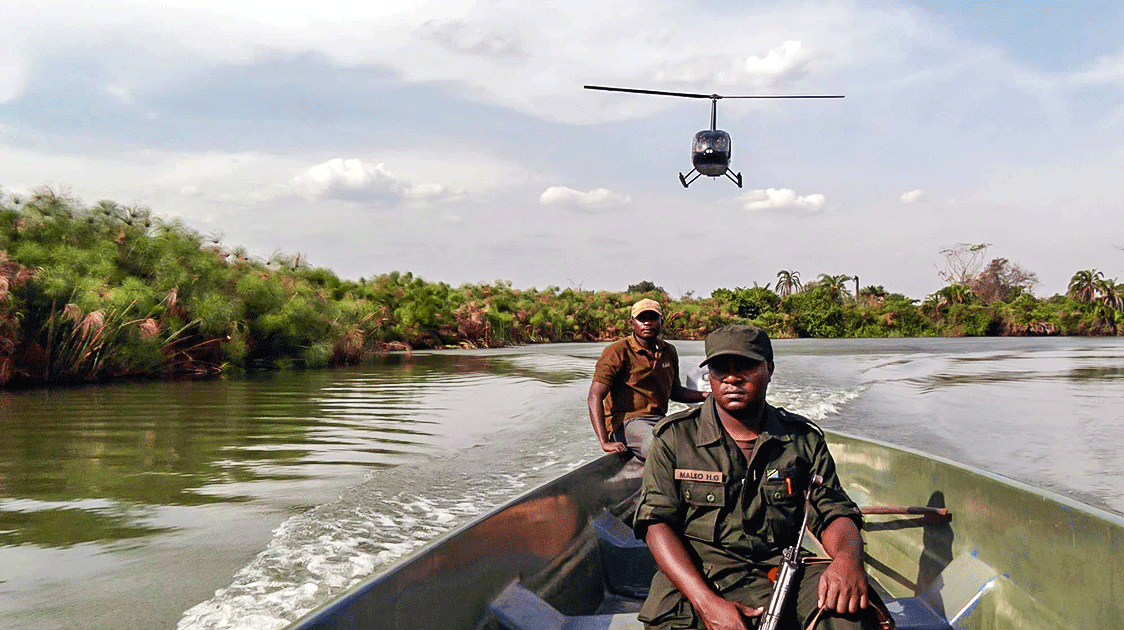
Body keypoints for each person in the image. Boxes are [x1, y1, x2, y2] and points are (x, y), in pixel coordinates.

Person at [633, 325, 878, 630]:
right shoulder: (675, 438)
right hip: (699, 576)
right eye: (721, 368)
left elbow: (833, 512)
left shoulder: (802, 440)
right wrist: (707, 604)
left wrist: (847, 558)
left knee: (851, 616)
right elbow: (656, 523)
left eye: (747, 365)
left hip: (781, 570)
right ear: (710, 375)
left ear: (769, 369)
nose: (732, 378)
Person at [588, 298, 707, 460]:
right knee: (660, 448)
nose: (647, 323)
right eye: (641, 318)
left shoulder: (668, 351)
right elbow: (594, 396)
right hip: (627, 422)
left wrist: (707, 396)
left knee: (696, 442)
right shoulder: (617, 351)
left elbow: (676, 392)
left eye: (652, 318)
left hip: (659, 420)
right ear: (632, 323)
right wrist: (604, 442)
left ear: (661, 321)